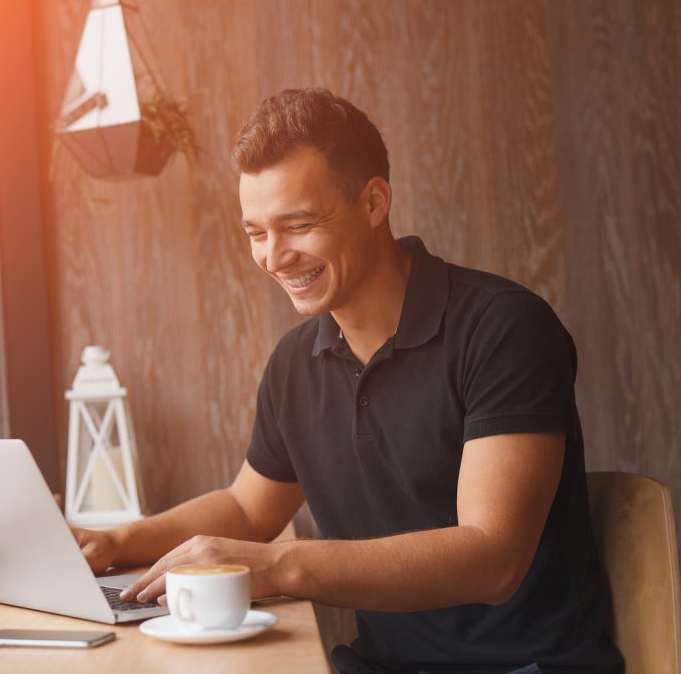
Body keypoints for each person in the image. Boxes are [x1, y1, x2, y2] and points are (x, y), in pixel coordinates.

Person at [73, 88, 623, 674]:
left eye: (299, 225)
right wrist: (117, 543)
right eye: (256, 233)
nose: (275, 257)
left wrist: (280, 566)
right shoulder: (294, 363)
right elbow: (246, 509)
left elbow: (492, 557)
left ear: (375, 202)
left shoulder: (505, 329)